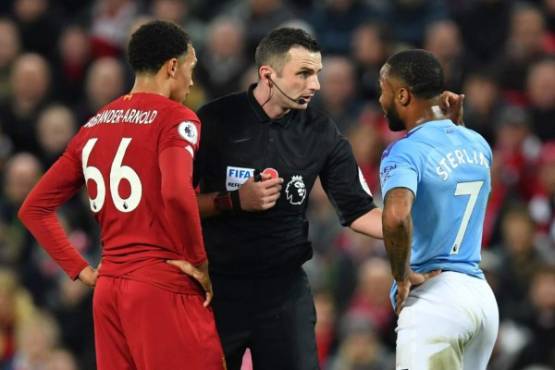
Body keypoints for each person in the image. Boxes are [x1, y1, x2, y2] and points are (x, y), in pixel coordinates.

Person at [18, 21, 225, 370]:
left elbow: (34, 208)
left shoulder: (95, 123)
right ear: (172, 67)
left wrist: (82, 271)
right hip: (162, 286)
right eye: (190, 68)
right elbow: (176, 193)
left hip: (108, 291)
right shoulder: (175, 118)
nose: (191, 81)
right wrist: (199, 262)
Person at [192, 27, 382, 370]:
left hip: (284, 291)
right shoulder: (215, 121)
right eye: (304, 74)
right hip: (219, 288)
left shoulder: (321, 131)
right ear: (268, 74)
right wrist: (234, 201)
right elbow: (176, 205)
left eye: (317, 74)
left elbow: (359, 212)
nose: (315, 85)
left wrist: (410, 228)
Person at [378, 49, 499, 370]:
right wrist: (457, 125)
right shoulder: (478, 144)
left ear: (402, 95)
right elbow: (454, 170)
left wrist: (401, 275)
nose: (380, 99)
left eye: (384, 90)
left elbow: (396, 216)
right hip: (481, 300)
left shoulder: (403, 152)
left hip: (435, 301)